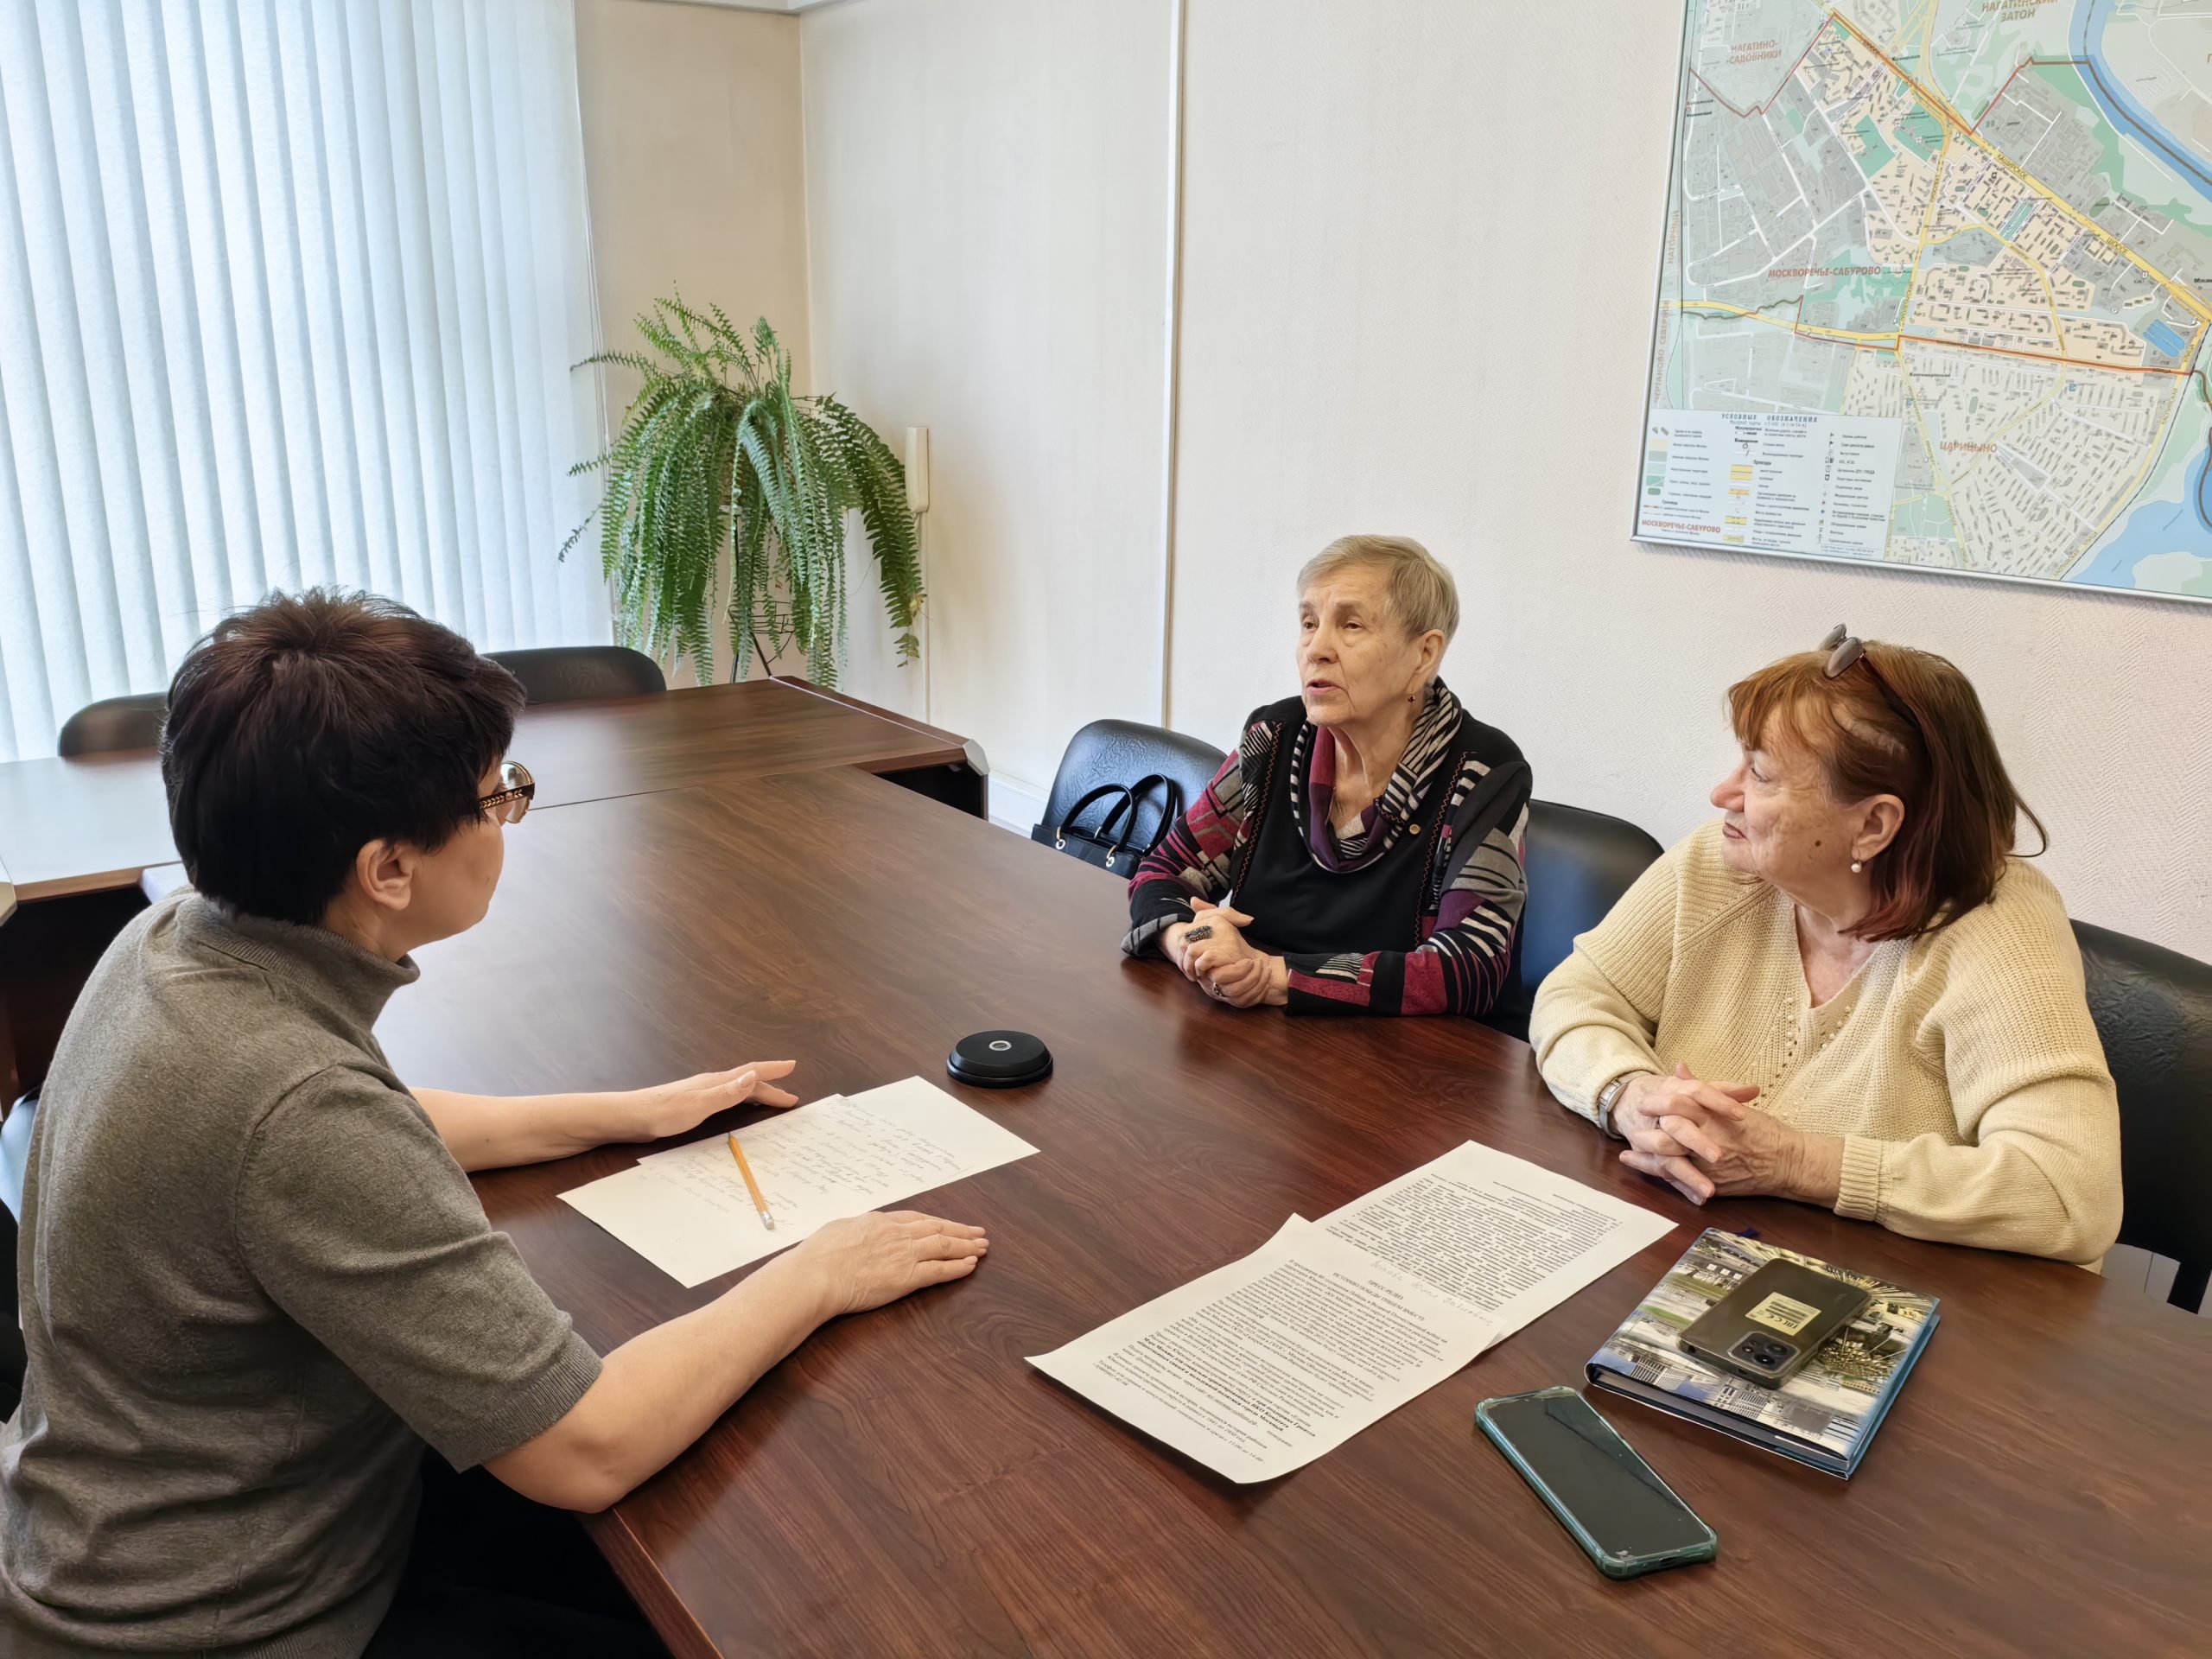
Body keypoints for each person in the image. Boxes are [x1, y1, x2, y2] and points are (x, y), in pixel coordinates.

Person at [0, 593, 990, 1659]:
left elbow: (340, 1131)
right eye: (496, 796)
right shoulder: (295, 1107)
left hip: (116, 1524)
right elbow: (588, 1450)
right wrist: (821, 1271)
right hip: (222, 1619)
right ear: (388, 869)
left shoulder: (173, 939)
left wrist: (623, 1114)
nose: (509, 815)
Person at [1529, 626, 2120, 1266]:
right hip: (1689, 1243)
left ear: (1873, 825)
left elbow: (2070, 1195)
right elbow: (1576, 994)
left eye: (1760, 775)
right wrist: (1628, 1096)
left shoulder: (1999, 928)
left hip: (1910, 1290)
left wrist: (1795, 1162)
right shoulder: (1720, 864)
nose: (1723, 795)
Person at [1124, 535, 1531, 1017]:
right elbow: (1163, 871)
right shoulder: (1273, 738)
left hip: (1410, 1053)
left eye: (1351, 625)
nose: (1316, 648)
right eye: (1309, 623)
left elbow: (1469, 968)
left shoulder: (1484, 771)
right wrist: (1191, 942)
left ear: (1423, 655)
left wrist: (1273, 975)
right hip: (1258, 1034)